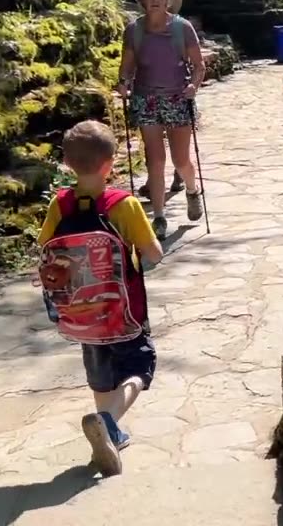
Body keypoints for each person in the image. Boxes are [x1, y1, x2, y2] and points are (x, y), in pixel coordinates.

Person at [38, 120, 164, 477]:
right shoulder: (122, 204)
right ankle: (108, 422)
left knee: (101, 374)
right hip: (125, 312)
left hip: (80, 314)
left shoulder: (60, 204)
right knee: (139, 368)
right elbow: (152, 253)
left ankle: (110, 436)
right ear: (109, 164)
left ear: (67, 163)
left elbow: (45, 248)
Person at [116, 0, 205, 240]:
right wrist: (123, 84)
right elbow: (127, 67)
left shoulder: (182, 28)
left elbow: (199, 66)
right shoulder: (133, 30)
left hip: (178, 97)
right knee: (155, 161)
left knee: (181, 159)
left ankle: (191, 190)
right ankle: (159, 217)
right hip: (147, 99)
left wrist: (194, 87)